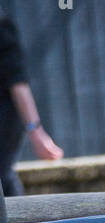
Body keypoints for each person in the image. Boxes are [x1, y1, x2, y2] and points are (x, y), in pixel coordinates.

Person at [0, 9, 61, 196]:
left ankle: (15, 214)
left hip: (5, 119)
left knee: (3, 175)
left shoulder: (1, 28)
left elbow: (17, 81)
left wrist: (35, 131)